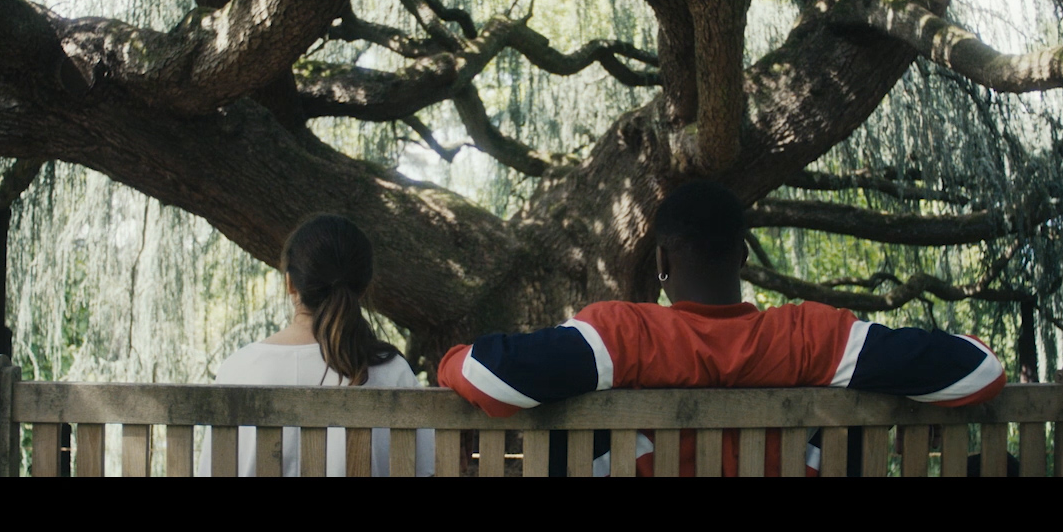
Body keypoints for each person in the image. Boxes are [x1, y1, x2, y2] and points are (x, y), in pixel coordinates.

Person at [438, 181, 1006, 476]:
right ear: (742, 256)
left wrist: (448, 362)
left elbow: (489, 377)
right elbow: (980, 372)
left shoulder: (624, 334)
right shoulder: (813, 335)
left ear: (662, 261)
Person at [198, 214, 433, 477]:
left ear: (290, 283)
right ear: (363, 289)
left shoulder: (238, 370)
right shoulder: (393, 371)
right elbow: (425, 468)